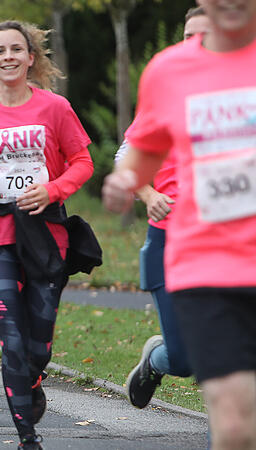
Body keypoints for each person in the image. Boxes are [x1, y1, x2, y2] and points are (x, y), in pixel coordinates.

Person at [102, 0, 256, 447]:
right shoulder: (169, 72)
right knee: (232, 418)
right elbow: (141, 148)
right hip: (202, 261)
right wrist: (130, 182)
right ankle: (163, 359)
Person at [0, 21, 93, 449]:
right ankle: (27, 438)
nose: (8, 56)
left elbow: (82, 161)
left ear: (31, 57)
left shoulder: (55, 107)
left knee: (38, 344)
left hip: (47, 233)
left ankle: (31, 379)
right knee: (11, 337)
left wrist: (52, 189)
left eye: (17, 49)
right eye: (0, 51)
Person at [117, 6, 210, 410]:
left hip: (229, 240)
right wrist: (150, 195)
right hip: (168, 240)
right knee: (185, 358)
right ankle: (156, 361)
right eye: (189, 35)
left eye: (204, 34)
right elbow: (126, 157)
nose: (196, 43)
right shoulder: (166, 92)